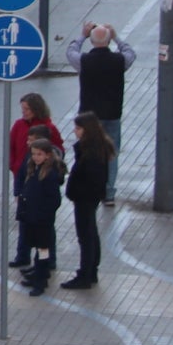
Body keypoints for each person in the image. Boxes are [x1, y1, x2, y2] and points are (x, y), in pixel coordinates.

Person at [65, 22, 135, 173]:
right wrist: (116, 37)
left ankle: (92, 185)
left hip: (88, 116)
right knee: (111, 152)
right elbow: (130, 53)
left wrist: (83, 35)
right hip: (112, 113)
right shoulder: (119, 61)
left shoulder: (83, 61)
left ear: (91, 41)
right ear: (109, 41)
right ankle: (109, 190)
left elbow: (70, 52)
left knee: (88, 151)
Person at [62, 115, 112, 288]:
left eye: (78, 128)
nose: (75, 132)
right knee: (90, 233)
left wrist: (78, 192)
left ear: (87, 130)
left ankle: (85, 274)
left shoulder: (91, 152)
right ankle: (91, 271)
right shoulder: (95, 148)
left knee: (86, 236)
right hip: (88, 197)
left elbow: (91, 177)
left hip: (85, 198)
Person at [15, 131, 66, 295]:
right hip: (32, 218)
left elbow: (54, 200)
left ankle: (41, 279)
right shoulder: (34, 169)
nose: (36, 157)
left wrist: (43, 215)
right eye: (34, 154)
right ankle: (38, 273)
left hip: (41, 221)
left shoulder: (49, 175)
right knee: (37, 248)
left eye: (39, 154)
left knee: (43, 251)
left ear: (48, 155)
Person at [8, 90, 63, 188]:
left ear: (36, 109)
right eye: (22, 109)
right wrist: (14, 166)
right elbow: (11, 147)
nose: (23, 112)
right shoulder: (18, 125)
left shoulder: (49, 127)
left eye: (27, 109)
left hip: (42, 174)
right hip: (20, 173)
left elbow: (58, 150)